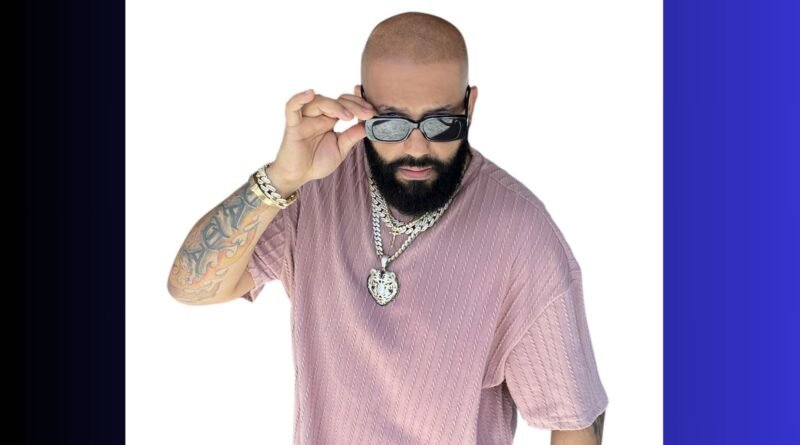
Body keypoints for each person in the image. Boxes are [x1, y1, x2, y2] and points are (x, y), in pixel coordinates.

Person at [167, 11, 608, 445]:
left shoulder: (522, 234)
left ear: (470, 107)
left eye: (441, 123)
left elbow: (574, 420)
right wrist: (280, 179)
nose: (416, 147)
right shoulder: (314, 190)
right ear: (361, 105)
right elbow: (191, 287)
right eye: (391, 123)